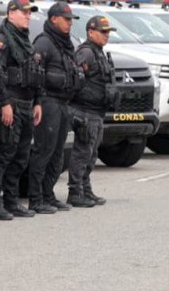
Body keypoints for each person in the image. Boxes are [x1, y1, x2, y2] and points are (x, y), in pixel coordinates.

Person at [0, 0, 43, 220]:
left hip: (27, 104)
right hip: (11, 104)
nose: (28, 15)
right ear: (11, 13)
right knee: (4, 154)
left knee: (20, 156)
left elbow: (34, 73)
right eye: (24, 12)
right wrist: (4, 104)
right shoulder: (2, 39)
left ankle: (11, 200)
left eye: (30, 12)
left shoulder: (24, 39)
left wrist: (38, 101)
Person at [29, 2, 81, 214]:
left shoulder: (64, 44)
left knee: (58, 153)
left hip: (63, 102)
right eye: (66, 19)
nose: (69, 24)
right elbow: (35, 74)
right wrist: (38, 102)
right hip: (48, 101)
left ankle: (48, 194)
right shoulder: (44, 43)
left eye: (71, 20)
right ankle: (35, 198)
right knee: (44, 150)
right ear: (54, 19)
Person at [68, 15, 114, 208]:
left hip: (96, 112)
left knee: (91, 153)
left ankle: (86, 189)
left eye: (108, 32)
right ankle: (75, 192)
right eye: (103, 32)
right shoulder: (86, 52)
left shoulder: (99, 52)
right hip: (85, 111)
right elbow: (74, 77)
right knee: (82, 152)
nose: (107, 36)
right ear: (90, 32)